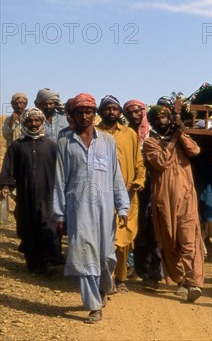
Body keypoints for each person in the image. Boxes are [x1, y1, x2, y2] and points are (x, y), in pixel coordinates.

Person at [53, 93, 130, 323]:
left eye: (89, 112)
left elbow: (116, 176)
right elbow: (59, 178)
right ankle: (94, 304)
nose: (85, 116)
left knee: (107, 256)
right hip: (77, 206)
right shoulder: (65, 140)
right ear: (73, 115)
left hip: (105, 207)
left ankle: (104, 288)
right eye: (80, 112)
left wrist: (123, 206)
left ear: (94, 114)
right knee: (84, 255)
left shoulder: (107, 141)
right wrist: (59, 213)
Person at [142, 105, 204, 302]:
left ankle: (194, 282)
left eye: (165, 117)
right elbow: (160, 162)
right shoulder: (151, 143)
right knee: (170, 242)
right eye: (157, 118)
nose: (162, 121)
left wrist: (181, 134)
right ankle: (180, 280)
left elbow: (195, 151)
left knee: (188, 240)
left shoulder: (182, 139)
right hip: (164, 200)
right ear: (151, 123)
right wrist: (174, 139)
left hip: (186, 198)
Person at [0, 108, 64, 275]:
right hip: (26, 195)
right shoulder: (17, 146)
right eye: (30, 121)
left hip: (49, 194)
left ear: (42, 122)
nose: (33, 124)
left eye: (37, 121)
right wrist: (6, 186)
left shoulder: (52, 145)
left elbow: (62, 170)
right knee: (28, 227)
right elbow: (8, 169)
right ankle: (35, 263)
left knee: (50, 225)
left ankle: (51, 261)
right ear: (25, 123)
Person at [97, 95, 146, 293]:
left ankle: (121, 277)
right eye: (107, 108)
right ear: (101, 112)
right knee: (103, 237)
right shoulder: (94, 133)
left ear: (120, 112)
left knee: (123, 239)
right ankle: (104, 278)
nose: (111, 112)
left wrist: (140, 180)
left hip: (126, 193)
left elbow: (138, 161)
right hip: (99, 193)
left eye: (115, 108)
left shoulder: (129, 134)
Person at [124, 99, 162, 289]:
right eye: (130, 113)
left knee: (152, 224)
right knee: (132, 223)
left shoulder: (154, 133)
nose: (134, 115)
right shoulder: (124, 132)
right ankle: (132, 266)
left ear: (143, 111)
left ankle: (154, 272)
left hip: (153, 182)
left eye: (137, 111)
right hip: (131, 183)